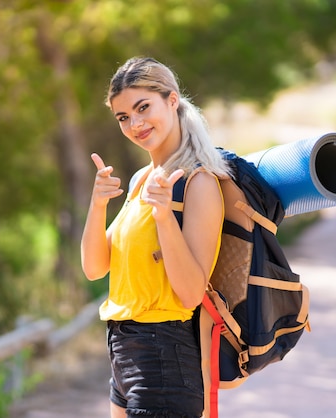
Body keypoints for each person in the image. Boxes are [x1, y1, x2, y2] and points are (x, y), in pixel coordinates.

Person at [81, 56, 232, 418]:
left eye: (143, 107)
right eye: (123, 117)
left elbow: (191, 292)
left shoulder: (199, 183)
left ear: (172, 100)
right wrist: (98, 203)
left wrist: (165, 217)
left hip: (164, 355)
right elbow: (94, 268)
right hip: (122, 347)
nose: (135, 123)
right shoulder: (141, 180)